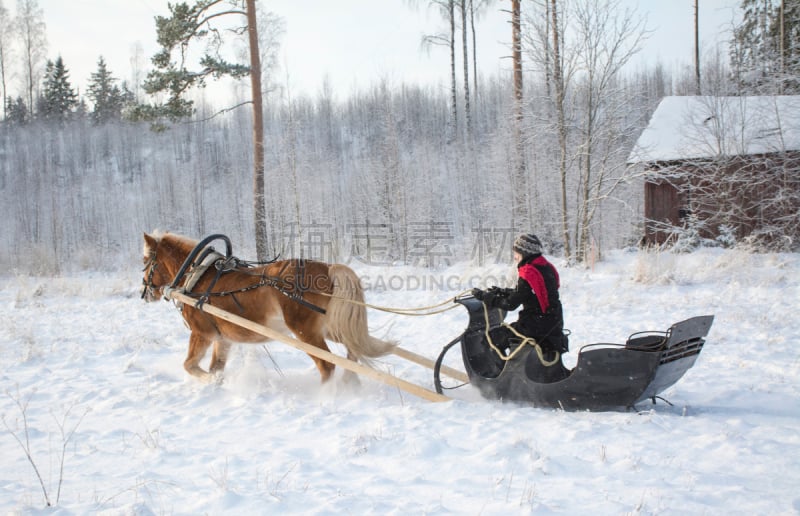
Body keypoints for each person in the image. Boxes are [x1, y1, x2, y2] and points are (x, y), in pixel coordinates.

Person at [472, 233, 569, 382]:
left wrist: (486, 297)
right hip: (552, 323)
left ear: (524, 252)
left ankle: (501, 380)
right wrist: (503, 291)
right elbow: (531, 294)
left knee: (492, 339)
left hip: (536, 326)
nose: (515, 256)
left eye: (516, 252)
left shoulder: (529, 271)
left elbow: (510, 305)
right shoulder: (545, 267)